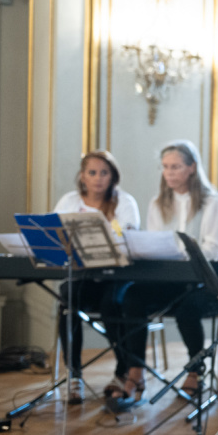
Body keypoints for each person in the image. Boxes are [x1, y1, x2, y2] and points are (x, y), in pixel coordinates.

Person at [116, 140, 218, 404]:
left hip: (203, 282)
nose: (170, 173)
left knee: (188, 309)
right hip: (170, 279)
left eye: (176, 167)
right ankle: (136, 370)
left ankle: (195, 371)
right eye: (165, 167)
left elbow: (212, 248)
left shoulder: (211, 201)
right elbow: (153, 244)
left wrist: (179, 251)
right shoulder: (157, 203)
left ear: (191, 168)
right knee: (131, 297)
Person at [54, 150, 140, 403]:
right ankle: (74, 375)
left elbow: (129, 240)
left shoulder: (124, 202)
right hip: (83, 276)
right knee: (67, 298)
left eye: (105, 173)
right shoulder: (69, 201)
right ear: (82, 176)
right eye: (92, 172)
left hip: (118, 276)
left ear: (113, 176)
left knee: (112, 303)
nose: (98, 178)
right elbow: (56, 236)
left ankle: (122, 371)